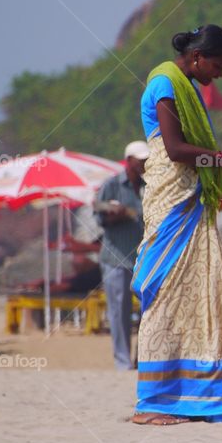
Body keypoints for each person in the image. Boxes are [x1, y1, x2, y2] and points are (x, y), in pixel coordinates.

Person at [131, 24, 222, 425]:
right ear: (196, 58)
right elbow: (177, 150)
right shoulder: (165, 83)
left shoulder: (188, 88)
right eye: (217, 65)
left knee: (195, 299)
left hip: (190, 201)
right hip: (171, 204)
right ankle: (151, 403)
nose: (220, 74)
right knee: (164, 296)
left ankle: (194, 395)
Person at [95, 141, 149, 370]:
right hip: (115, 257)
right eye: (141, 160)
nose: (144, 163)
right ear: (129, 161)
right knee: (119, 311)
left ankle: (142, 359)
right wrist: (121, 214)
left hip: (144, 258)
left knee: (149, 310)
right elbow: (100, 216)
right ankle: (123, 362)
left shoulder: (149, 185)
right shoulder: (112, 184)